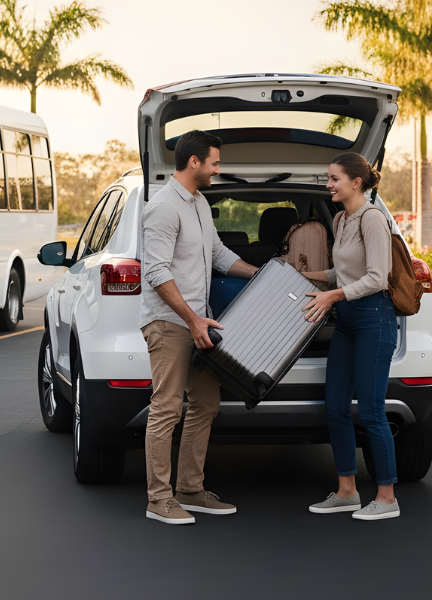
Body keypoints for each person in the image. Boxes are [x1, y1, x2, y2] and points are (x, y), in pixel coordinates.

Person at [140, 130, 258, 525]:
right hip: (171, 323)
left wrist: (264, 275)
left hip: (198, 323)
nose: (217, 170)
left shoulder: (199, 203)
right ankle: (159, 499)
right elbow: (155, 271)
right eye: (214, 163)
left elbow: (218, 254)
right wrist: (192, 320)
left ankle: (190, 489)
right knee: (167, 408)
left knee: (206, 403)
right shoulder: (162, 208)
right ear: (194, 163)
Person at [301, 152, 400, 521]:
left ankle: (387, 498)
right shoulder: (341, 219)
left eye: (334, 179)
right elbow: (341, 270)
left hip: (374, 318)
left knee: (372, 410)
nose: (328, 184)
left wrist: (334, 295)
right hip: (346, 321)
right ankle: (347, 492)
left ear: (355, 183)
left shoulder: (372, 219)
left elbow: (377, 277)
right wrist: (310, 275)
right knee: (336, 409)